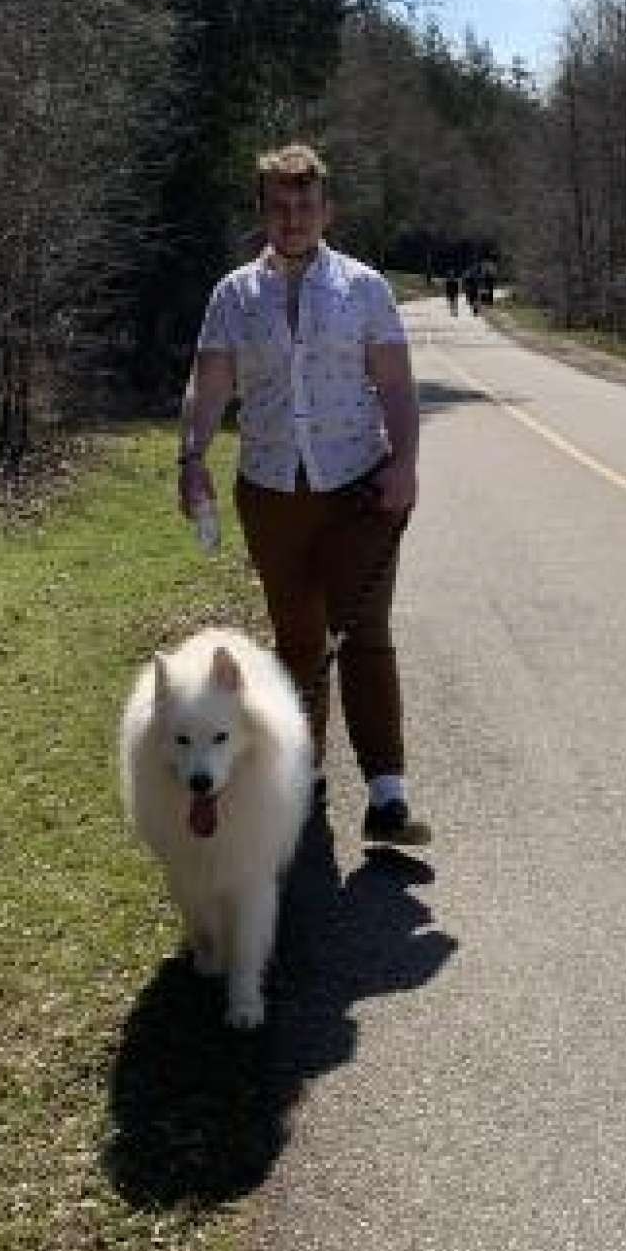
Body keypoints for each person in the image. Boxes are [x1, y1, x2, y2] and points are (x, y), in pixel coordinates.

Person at [175, 142, 429, 848]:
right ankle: (304, 771)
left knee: (366, 634)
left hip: (358, 488)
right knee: (297, 638)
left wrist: (405, 463)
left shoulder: (365, 289)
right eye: (280, 206)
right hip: (271, 491)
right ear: (262, 211)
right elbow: (210, 384)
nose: (293, 219)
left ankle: (387, 792)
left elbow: (397, 386)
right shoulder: (233, 296)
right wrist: (190, 456)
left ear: (327, 210)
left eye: (305, 206)